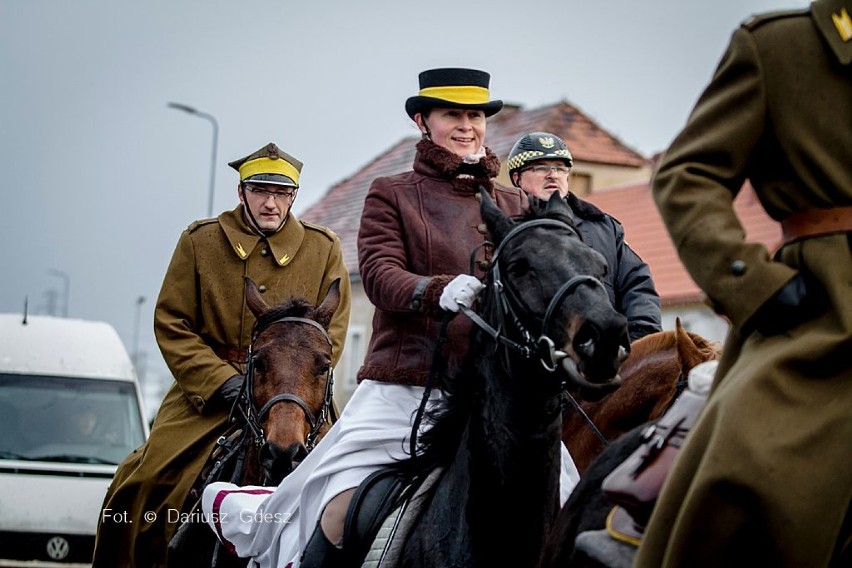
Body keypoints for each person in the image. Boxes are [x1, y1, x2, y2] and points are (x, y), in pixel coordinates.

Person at [202, 68, 583, 568]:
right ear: (422, 121)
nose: (467, 126)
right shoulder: (392, 192)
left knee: (571, 497)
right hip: (406, 387)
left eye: (475, 116)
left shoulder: (515, 203)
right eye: (453, 115)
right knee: (330, 508)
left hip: (491, 393)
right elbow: (380, 275)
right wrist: (436, 291)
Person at [635, 1, 852, 566]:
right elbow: (690, 176)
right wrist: (754, 283)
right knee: (750, 458)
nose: (554, 177)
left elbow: (633, 279)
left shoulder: (601, 226)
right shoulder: (780, 46)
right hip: (831, 306)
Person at [92, 142, 352, 568]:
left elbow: (331, 332)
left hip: (294, 391)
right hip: (211, 393)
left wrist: (292, 381)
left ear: (294, 196)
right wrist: (222, 382)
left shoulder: (324, 247)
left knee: (352, 483)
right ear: (241, 192)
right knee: (144, 482)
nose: (271, 203)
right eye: (260, 191)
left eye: (282, 193)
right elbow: (172, 323)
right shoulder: (200, 241)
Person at [507, 132, 662, 342]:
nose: (552, 174)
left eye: (560, 168)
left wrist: (639, 337)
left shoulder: (604, 227)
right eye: (541, 167)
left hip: (604, 352)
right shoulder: (506, 230)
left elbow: (636, 283)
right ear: (517, 178)